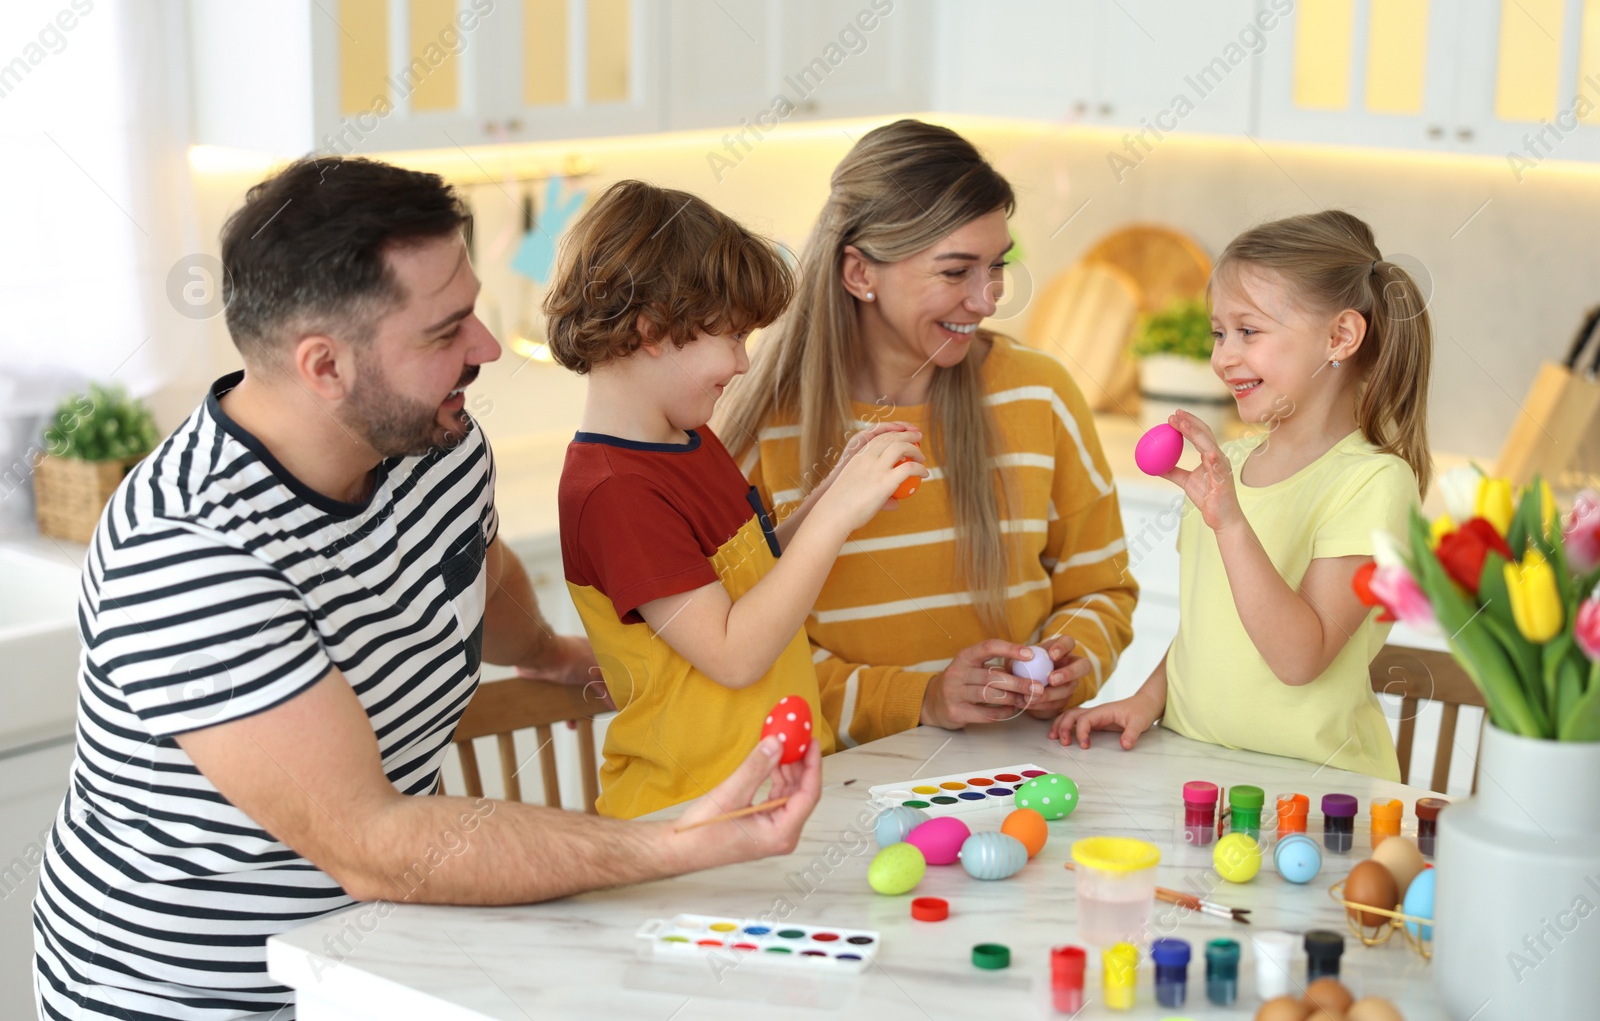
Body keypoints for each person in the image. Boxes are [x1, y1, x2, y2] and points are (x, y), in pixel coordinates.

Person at [33, 158, 823, 1021]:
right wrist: (672, 840)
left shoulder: (434, 444)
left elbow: (476, 569)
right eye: (446, 331)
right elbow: (373, 844)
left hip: (386, 953)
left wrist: (549, 654)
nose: (485, 347)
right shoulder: (188, 554)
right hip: (199, 996)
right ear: (325, 366)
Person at [716, 119, 1138, 748]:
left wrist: (1075, 663)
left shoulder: (1039, 394)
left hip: (1019, 768)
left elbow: (1101, 585)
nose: (987, 299)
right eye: (954, 272)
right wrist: (924, 699)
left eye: (996, 267)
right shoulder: (766, 433)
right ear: (860, 274)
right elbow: (745, 655)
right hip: (841, 785)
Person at [545, 180, 924, 818]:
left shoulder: (689, 439)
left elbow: (751, 576)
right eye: (732, 338)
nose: (744, 364)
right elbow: (733, 652)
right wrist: (835, 517)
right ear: (653, 330)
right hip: (687, 814)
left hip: (768, 797)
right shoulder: (615, 492)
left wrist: (835, 491)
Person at [1053, 210, 1432, 782]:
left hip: (1316, 789)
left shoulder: (1374, 483)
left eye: (1248, 331)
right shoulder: (1225, 467)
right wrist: (1146, 699)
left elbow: (1300, 659)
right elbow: (1210, 624)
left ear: (1340, 337)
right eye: (1219, 332)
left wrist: (1231, 524)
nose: (1222, 356)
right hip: (1194, 767)